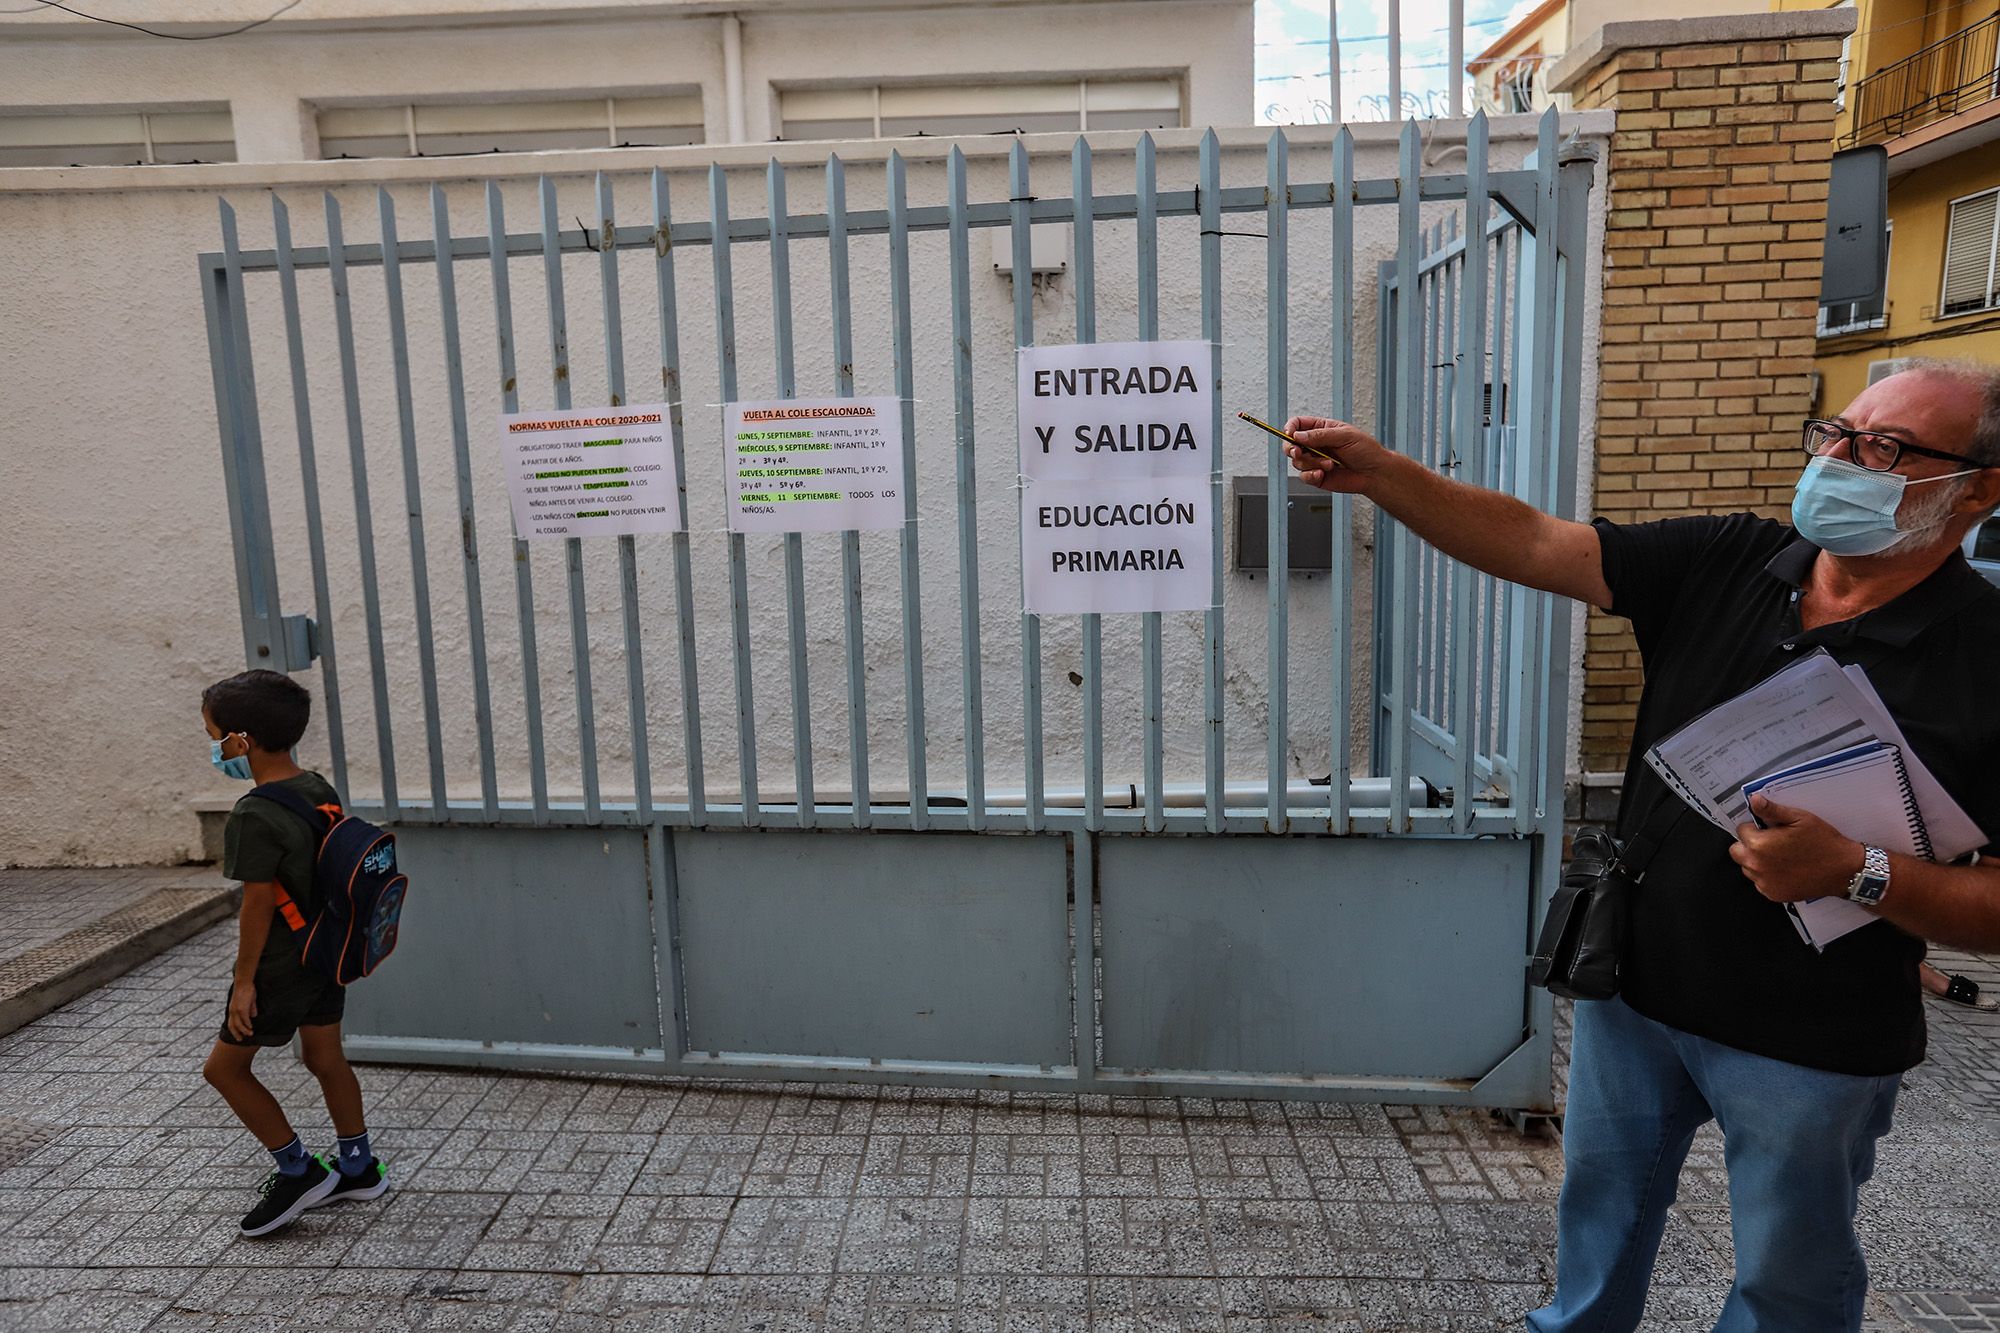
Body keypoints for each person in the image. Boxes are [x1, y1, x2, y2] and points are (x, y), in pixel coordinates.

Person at [1281, 359, 2000, 1332]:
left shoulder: (1983, 655)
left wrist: (1854, 872)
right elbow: (1539, 541)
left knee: (1788, 1273)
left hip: (1812, 1037)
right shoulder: (1731, 560)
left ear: (1978, 488)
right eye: (1833, 432)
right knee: (1598, 1224)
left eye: (1883, 449)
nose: (1839, 461)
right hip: (1637, 992)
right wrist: (1385, 476)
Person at [200, 669, 388, 1237]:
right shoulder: (316, 788)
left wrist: (245, 982)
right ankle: (358, 1168)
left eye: (214, 736)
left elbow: (257, 907)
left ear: (242, 741)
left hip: (281, 965)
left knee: (224, 1070)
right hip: (327, 952)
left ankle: (298, 1170)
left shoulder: (253, 814)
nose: (214, 747)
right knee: (324, 1058)